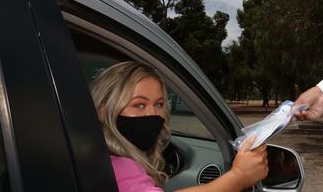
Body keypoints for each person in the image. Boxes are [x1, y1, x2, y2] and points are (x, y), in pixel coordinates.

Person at [90, 61, 269, 192]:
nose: (153, 115)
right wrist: (238, 177)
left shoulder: (91, 155)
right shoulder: (117, 166)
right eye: (139, 105)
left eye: (159, 104)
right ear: (103, 111)